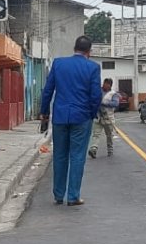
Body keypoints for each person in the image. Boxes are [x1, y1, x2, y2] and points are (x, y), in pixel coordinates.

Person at [39, 35, 101, 206]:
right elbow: (96, 95)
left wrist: (44, 112)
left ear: (74, 48)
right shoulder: (93, 67)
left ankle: (58, 195)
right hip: (81, 117)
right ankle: (73, 196)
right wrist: (92, 113)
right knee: (77, 156)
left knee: (59, 155)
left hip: (60, 116)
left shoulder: (58, 64)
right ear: (89, 51)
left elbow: (47, 91)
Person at [88, 78, 120, 159]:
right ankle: (93, 149)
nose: (105, 85)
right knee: (96, 134)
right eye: (104, 83)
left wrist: (104, 103)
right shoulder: (98, 92)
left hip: (108, 117)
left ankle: (110, 150)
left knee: (109, 135)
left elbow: (115, 103)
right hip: (98, 116)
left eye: (107, 84)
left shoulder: (113, 94)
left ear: (110, 85)